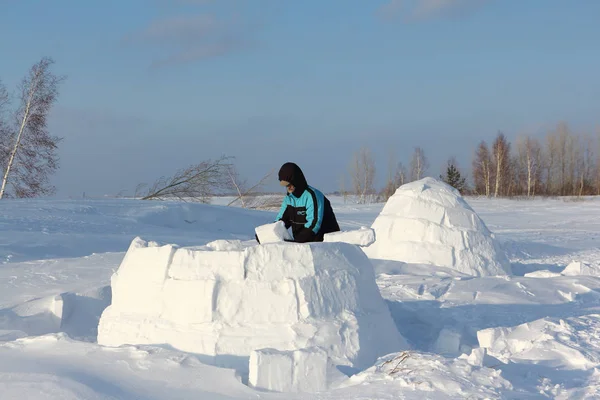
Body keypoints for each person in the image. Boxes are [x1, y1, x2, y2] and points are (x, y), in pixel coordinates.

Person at [272, 162, 340, 243]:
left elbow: (314, 225)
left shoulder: (312, 196)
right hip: (303, 243)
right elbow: (280, 222)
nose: (288, 187)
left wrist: (298, 241)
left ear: (296, 180)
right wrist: (268, 233)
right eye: (286, 185)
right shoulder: (289, 199)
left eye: (289, 184)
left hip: (325, 244)